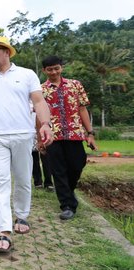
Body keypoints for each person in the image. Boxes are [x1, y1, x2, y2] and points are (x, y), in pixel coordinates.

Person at [0, 36, 53, 252]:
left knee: (23, 178)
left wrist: (45, 124)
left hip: (23, 135)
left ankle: (22, 216)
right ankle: (4, 231)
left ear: (7, 52)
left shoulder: (27, 75)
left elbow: (39, 101)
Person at [41, 55, 97, 220]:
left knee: (77, 165)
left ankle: (69, 192)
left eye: (56, 68)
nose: (53, 72)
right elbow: (38, 116)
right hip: (53, 136)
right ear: (44, 70)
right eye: (50, 69)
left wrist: (90, 133)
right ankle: (67, 205)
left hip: (75, 134)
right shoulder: (41, 90)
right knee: (58, 171)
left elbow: (82, 110)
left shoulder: (75, 85)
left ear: (61, 68)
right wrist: (40, 138)